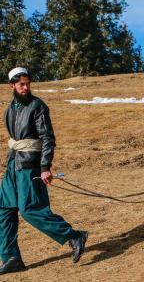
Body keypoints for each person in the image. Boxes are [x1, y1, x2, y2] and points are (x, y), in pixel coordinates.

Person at [0, 67, 88, 275]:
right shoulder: (9, 109)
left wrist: (45, 167)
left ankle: (73, 236)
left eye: (28, 83)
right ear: (12, 86)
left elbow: (47, 138)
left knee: (31, 209)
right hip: (13, 164)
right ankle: (11, 257)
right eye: (21, 84)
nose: (25, 87)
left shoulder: (37, 106)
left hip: (30, 165)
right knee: (4, 209)